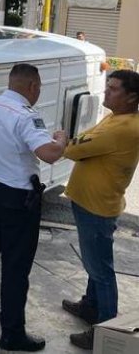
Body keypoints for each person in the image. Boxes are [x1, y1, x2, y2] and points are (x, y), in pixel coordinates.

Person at [0, 64, 67, 352]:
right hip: (18, 199)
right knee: (16, 266)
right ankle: (12, 334)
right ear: (32, 86)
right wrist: (61, 139)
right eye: (39, 88)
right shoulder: (26, 117)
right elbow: (48, 155)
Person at [61, 69, 139, 350]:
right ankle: (91, 306)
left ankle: (106, 329)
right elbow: (86, 138)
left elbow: (73, 148)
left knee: (101, 270)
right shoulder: (117, 117)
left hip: (96, 206)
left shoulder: (122, 127)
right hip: (93, 202)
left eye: (114, 88)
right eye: (108, 86)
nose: (107, 92)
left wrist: (63, 141)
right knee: (95, 265)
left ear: (132, 97)